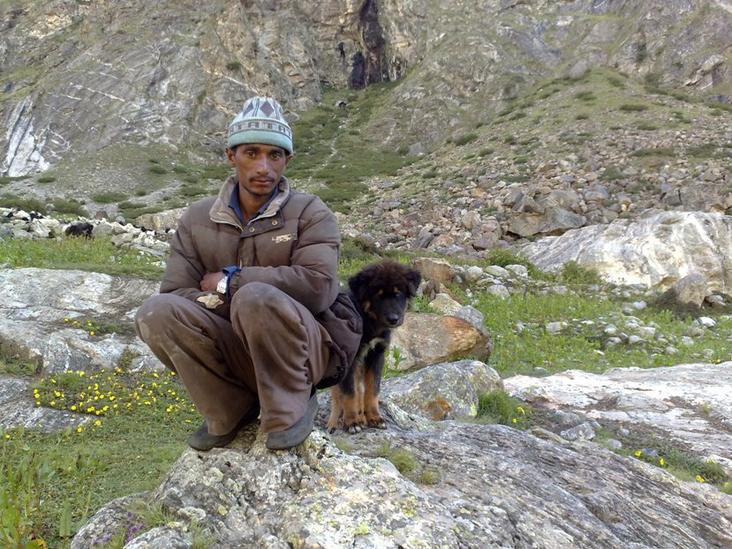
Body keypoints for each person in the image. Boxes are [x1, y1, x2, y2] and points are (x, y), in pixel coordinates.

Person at [135, 96, 360, 451]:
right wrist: (230, 301)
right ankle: (228, 407)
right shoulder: (197, 219)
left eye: (275, 155)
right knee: (155, 312)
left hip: (303, 349)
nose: (263, 167)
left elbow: (318, 287)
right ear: (231, 156)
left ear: (288, 160)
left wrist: (230, 282)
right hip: (236, 345)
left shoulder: (311, 212)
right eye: (251, 153)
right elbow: (176, 291)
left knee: (255, 297)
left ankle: (289, 405)